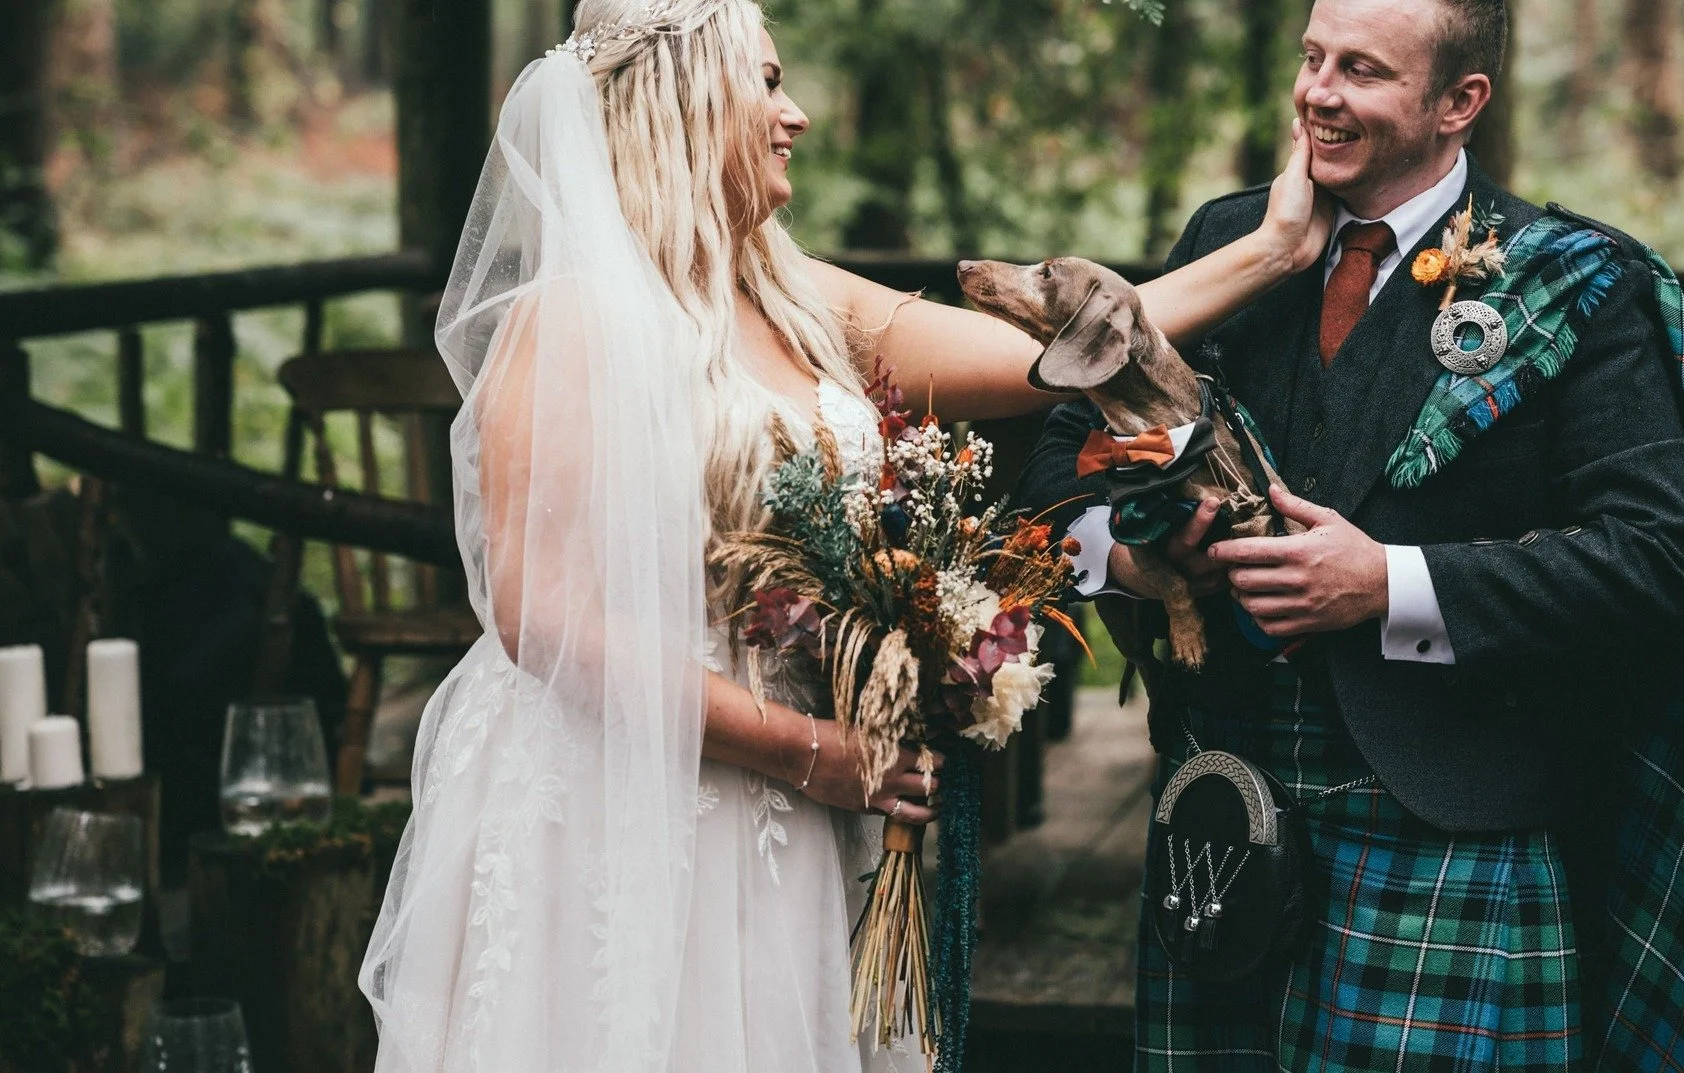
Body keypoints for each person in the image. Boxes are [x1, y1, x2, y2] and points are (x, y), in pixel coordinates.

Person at [357, 1, 1331, 1070]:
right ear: (683, 96)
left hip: (813, 803)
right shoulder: (569, 316)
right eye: (767, 82)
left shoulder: (789, 287)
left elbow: (1036, 360)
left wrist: (1275, 248)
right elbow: (536, 614)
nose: (797, 114)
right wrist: (809, 751)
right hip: (641, 792)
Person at [1016, 0, 1684, 1069]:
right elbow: (1060, 454)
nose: (1317, 92)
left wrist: (1389, 582)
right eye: (1312, 58)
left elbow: (1655, 559)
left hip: (1451, 821)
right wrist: (1137, 562)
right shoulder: (1228, 243)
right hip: (1219, 804)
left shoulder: (1576, 281)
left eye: (1362, 71)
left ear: (1458, 103)